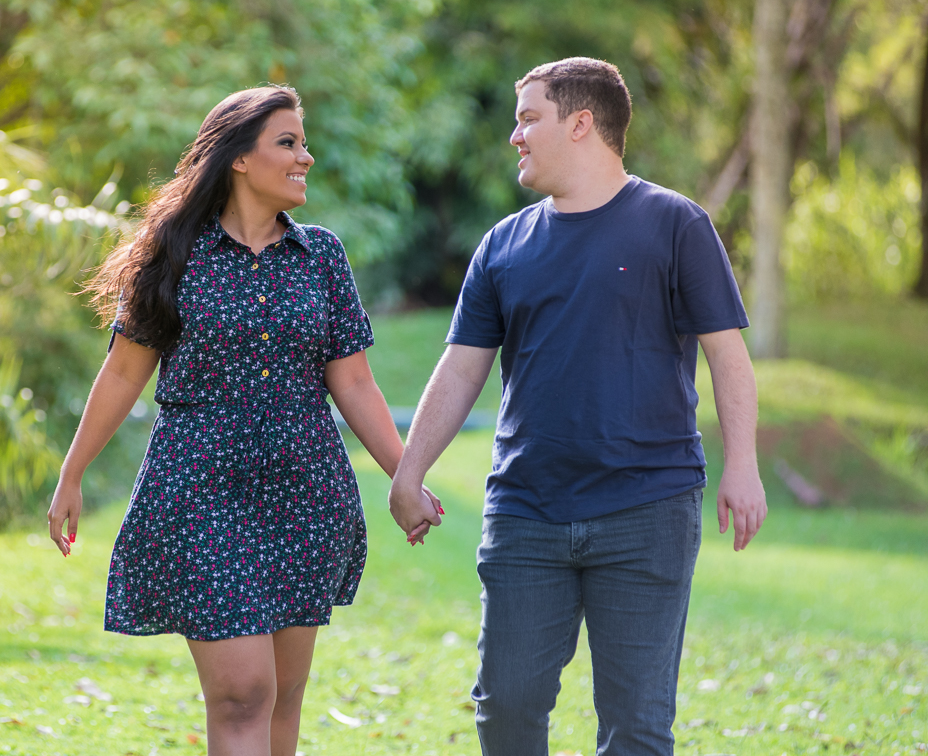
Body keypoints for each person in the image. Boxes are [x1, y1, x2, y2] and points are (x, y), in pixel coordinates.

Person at [388, 57, 767, 755]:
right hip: (526, 511)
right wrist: (409, 471)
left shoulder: (675, 224)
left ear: (581, 122)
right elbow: (460, 369)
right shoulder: (503, 246)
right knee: (506, 708)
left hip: (648, 508)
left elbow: (727, 355)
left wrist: (742, 463)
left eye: (529, 117)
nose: (515, 136)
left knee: (637, 726)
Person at [46, 85, 440, 756]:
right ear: (237, 159)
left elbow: (353, 381)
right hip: (199, 490)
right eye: (288, 143)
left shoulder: (323, 259)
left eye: (303, 143)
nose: (305, 158)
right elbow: (121, 372)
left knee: (283, 699)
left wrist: (406, 476)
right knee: (241, 692)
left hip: (305, 492)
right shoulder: (173, 254)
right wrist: (72, 472)